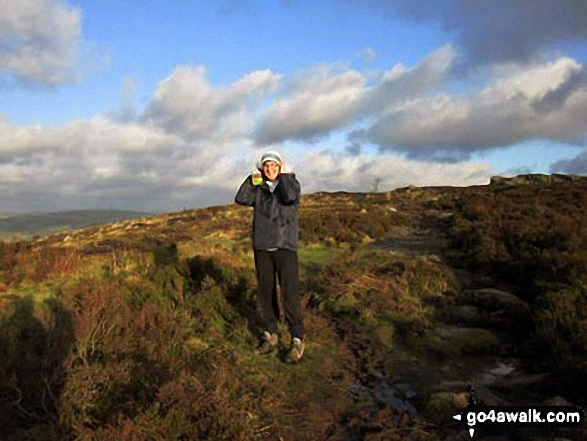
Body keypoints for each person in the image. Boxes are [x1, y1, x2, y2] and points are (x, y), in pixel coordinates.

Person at [235, 151, 305, 363]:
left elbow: (290, 197)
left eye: (273, 165)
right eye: (266, 166)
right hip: (263, 247)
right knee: (265, 292)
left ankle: (296, 338)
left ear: (280, 166)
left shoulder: (291, 184)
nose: (269, 169)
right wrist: (251, 179)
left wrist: (284, 175)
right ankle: (270, 333)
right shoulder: (259, 188)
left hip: (286, 246)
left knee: (289, 292)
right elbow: (241, 199)